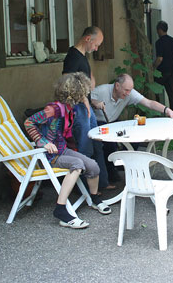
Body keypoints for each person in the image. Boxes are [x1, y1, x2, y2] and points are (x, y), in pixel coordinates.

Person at [24, 73, 111, 229]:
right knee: (77, 164)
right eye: (84, 93)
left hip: (62, 150)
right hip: (48, 155)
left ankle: (93, 198)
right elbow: (29, 122)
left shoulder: (70, 109)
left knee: (93, 165)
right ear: (76, 93)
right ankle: (61, 209)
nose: (86, 95)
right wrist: (42, 142)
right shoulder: (53, 109)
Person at [91, 74, 173, 181]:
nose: (128, 93)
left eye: (130, 90)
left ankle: (122, 163)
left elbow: (149, 103)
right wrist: (95, 103)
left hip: (113, 122)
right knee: (109, 145)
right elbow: (87, 99)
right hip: (97, 123)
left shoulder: (129, 93)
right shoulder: (101, 90)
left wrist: (167, 110)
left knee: (134, 135)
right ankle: (110, 174)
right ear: (117, 86)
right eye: (126, 90)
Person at [62, 26, 113, 190]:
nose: (96, 49)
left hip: (87, 108)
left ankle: (101, 184)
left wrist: (90, 93)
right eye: (96, 44)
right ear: (88, 38)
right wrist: (83, 98)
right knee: (85, 148)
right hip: (78, 109)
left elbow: (86, 80)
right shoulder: (72, 57)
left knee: (97, 145)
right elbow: (67, 82)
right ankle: (84, 189)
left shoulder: (82, 57)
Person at [154, 21, 173, 113]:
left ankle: (157, 112)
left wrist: (153, 68)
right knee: (172, 94)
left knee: (155, 90)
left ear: (159, 30)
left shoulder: (159, 42)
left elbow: (159, 58)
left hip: (162, 72)